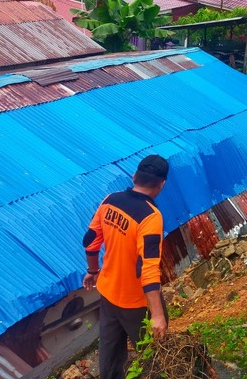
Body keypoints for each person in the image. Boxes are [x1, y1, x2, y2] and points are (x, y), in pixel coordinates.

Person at [83, 155, 170, 379]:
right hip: (137, 303)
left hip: (109, 293)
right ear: (162, 184)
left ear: (134, 177)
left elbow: (91, 240)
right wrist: (158, 315)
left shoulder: (110, 200)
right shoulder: (151, 217)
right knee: (154, 356)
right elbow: (149, 269)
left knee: (110, 357)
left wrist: (92, 272)